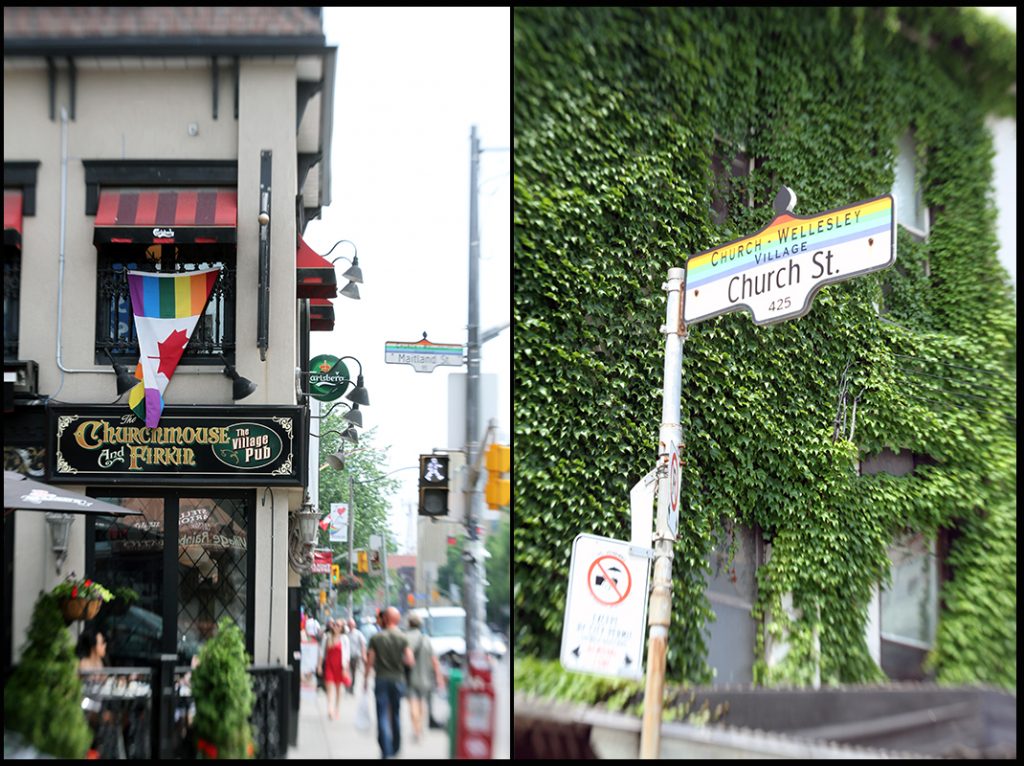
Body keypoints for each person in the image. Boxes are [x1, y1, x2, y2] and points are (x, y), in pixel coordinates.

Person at [364, 606, 414, 759]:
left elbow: (370, 661)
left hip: (381, 680)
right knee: (396, 714)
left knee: (382, 715)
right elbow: (410, 661)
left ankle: (386, 751)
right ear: (397, 620)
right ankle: (395, 747)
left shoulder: (376, 638)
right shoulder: (403, 637)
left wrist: (366, 679)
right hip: (398, 680)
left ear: (385, 619)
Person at [404, 612, 444, 742]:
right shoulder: (426, 639)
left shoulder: (406, 637)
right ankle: (420, 728)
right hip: (426, 677)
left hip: (411, 677)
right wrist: (439, 677)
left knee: (413, 704)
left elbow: (406, 656)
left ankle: (415, 730)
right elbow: (434, 660)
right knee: (422, 704)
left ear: (409, 623)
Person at [317, 620, 351, 720]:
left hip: (340, 667)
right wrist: (319, 666)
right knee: (329, 689)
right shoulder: (327, 637)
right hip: (329, 666)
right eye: (335, 624)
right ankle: (330, 709)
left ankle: (336, 709)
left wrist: (346, 669)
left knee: (338, 689)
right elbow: (321, 653)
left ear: (341, 628)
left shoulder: (344, 639)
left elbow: (347, 655)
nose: (335, 626)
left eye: (338, 625)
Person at [346, 617, 367, 695]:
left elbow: (363, 644)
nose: (350, 626)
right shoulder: (346, 633)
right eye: (349, 624)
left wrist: (363, 654)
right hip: (347, 656)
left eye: (352, 625)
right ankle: (348, 686)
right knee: (348, 672)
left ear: (354, 625)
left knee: (354, 672)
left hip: (356, 656)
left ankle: (352, 687)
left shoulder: (358, 633)